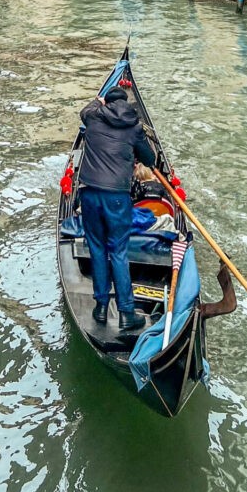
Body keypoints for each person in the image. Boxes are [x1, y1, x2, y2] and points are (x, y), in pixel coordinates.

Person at [78, 85, 156, 332]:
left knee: (98, 249)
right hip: (117, 199)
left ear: (106, 103)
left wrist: (97, 101)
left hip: (89, 194)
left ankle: (101, 308)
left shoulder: (92, 116)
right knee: (119, 252)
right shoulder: (134, 127)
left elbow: (85, 110)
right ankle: (126, 312)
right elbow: (150, 160)